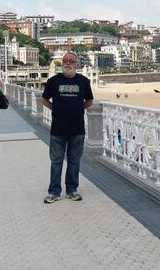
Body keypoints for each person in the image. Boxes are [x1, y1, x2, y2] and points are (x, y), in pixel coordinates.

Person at [41, 52, 93, 204]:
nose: (68, 63)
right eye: (65, 60)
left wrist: (79, 109)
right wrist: (55, 109)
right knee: (56, 161)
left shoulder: (83, 81)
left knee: (74, 161)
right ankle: (54, 191)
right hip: (58, 128)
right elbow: (44, 99)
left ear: (76, 64)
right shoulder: (54, 81)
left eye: (71, 61)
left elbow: (89, 100)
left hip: (77, 128)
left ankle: (72, 190)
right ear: (61, 63)